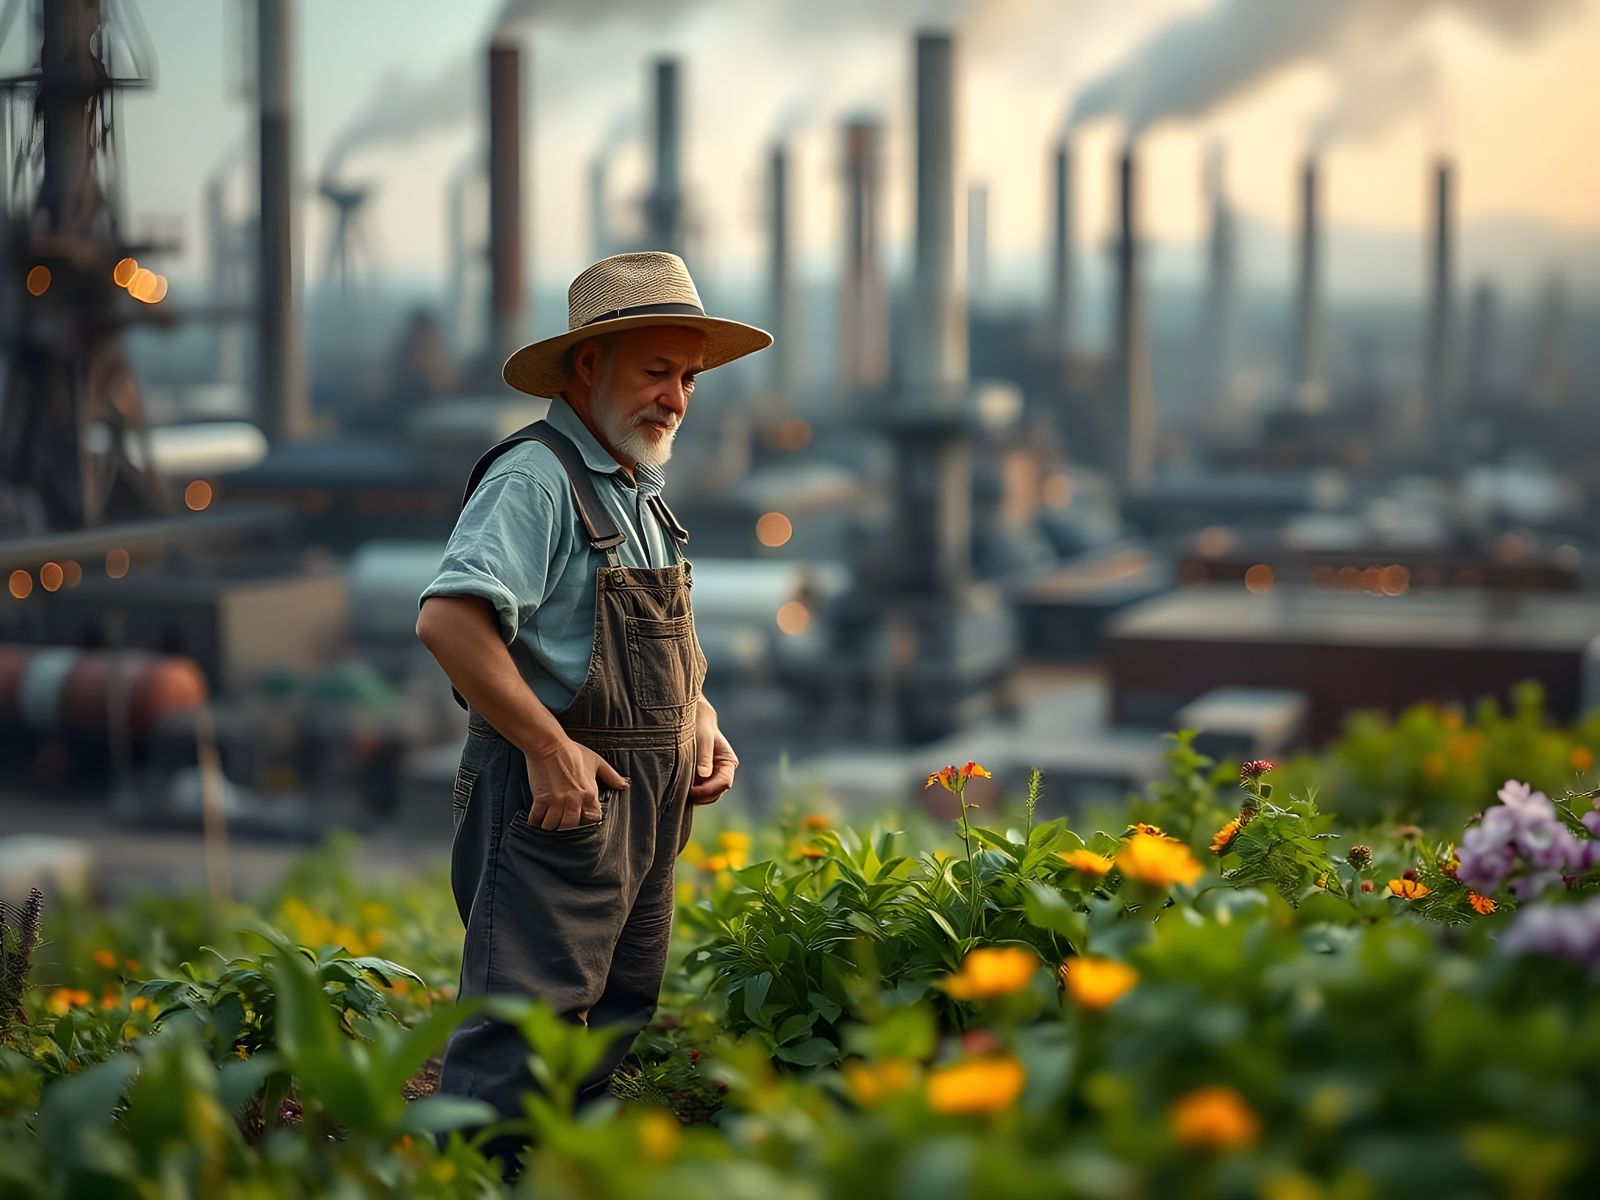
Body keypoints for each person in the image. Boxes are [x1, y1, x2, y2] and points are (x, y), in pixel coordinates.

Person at [415, 251, 772, 1179]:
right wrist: (546, 745)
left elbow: (650, 644)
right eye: (657, 371)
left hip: (640, 817)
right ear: (589, 365)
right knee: (518, 1041)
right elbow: (449, 621)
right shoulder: (535, 479)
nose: (676, 399)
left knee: (610, 1021)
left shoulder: (636, 488)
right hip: (556, 815)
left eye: (688, 378)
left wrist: (699, 715)